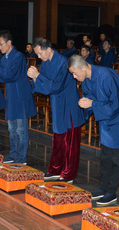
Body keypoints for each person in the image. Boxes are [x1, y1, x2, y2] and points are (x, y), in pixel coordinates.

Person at [67, 54, 119, 206]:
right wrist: (84, 105)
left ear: (83, 68)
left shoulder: (107, 76)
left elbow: (115, 105)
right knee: (105, 158)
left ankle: (111, 191)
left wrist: (92, 103)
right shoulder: (86, 80)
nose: (74, 76)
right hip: (105, 124)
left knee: (117, 160)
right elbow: (89, 100)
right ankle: (103, 187)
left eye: (75, 73)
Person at [28, 38, 85, 182]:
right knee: (58, 138)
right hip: (57, 103)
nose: (39, 57)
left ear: (48, 49)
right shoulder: (46, 62)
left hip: (69, 104)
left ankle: (68, 173)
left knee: (70, 141)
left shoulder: (63, 62)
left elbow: (55, 86)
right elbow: (44, 85)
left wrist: (37, 76)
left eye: (40, 54)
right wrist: (35, 79)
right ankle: (55, 169)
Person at [0, 30, 37, 164]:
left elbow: (9, 75)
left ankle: (21, 157)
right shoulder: (5, 57)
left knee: (20, 129)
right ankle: (13, 154)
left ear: (9, 42)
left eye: (1, 44)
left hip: (20, 96)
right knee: (11, 128)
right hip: (11, 97)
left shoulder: (18, 56)